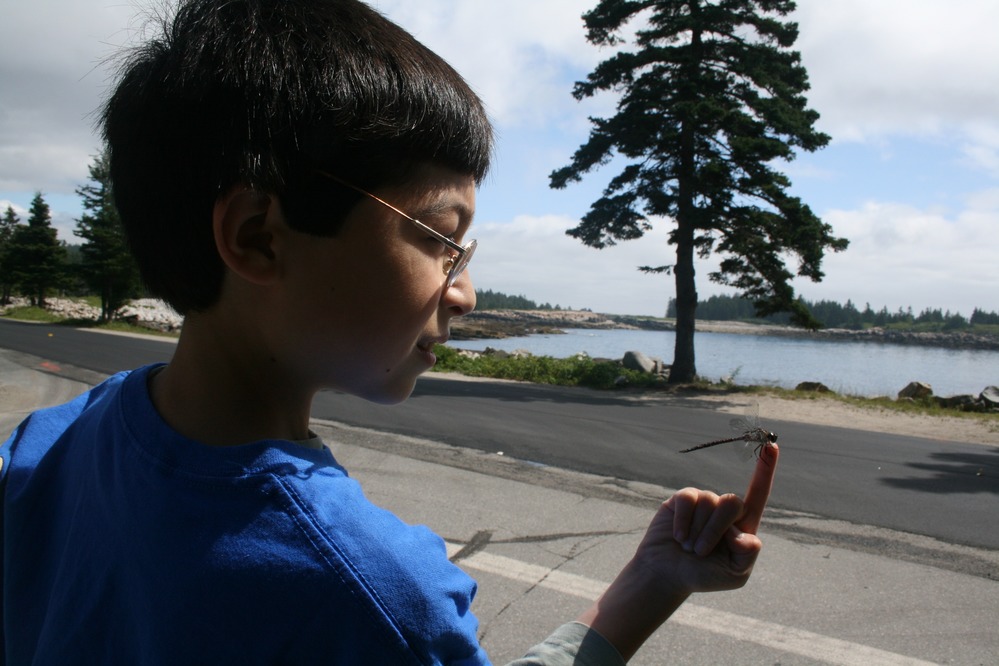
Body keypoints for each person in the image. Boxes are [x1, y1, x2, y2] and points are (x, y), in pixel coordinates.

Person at [0, 0, 779, 663]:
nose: (465, 292)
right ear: (258, 236)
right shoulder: (366, 589)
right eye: (441, 238)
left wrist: (652, 579)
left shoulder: (47, 446)